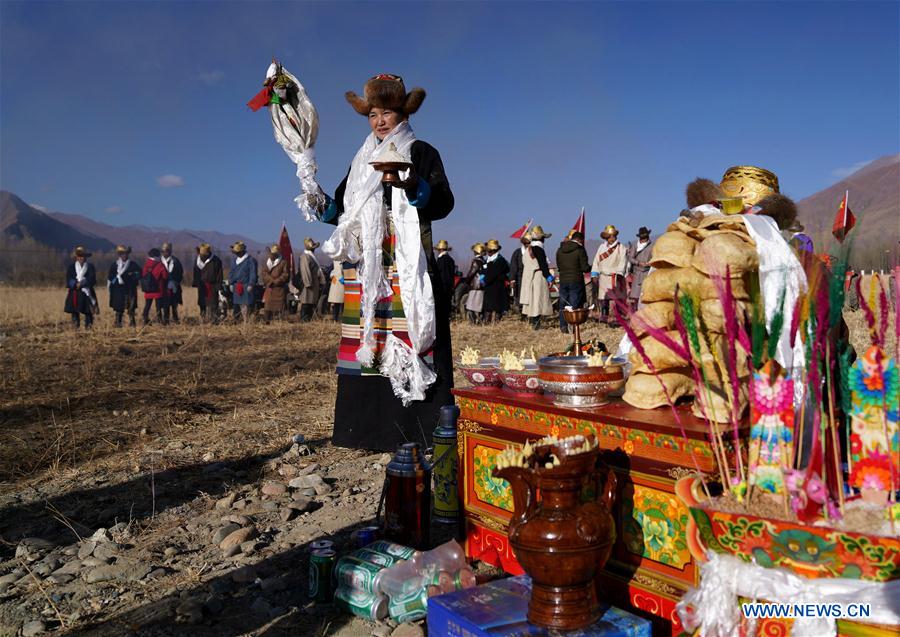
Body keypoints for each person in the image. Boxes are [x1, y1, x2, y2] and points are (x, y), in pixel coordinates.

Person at [312, 73, 455, 451]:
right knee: (368, 337)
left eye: (387, 112)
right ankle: (366, 429)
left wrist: (411, 185)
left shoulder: (421, 152)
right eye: (373, 113)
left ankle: (417, 427)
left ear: (403, 113)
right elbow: (341, 210)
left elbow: (442, 202)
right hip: (370, 264)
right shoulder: (362, 161)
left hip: (409, 261)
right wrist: (319, 202)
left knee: (413, 336)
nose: (379, 121)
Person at [555, 230, 590, 332]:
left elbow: (559, 265)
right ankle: (573, 325)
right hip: (576, 279)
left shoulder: (560, 250)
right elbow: (584, 267)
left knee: (563, 303)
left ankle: (563, 325)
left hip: (563, 279)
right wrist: (591, 268)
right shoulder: (580, 250)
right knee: (574, 303)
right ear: (579, 239)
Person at [520, 226, 554, 330]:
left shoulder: (527, 250)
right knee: (538, 300)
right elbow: (543, 265)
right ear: (541, 239)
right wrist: (549, 276)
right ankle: (536, 324)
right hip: (538, 277)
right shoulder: (538, 249)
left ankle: (534, 322)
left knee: (533, 300)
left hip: (529, 277)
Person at [592, 225, 627, 323]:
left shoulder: (621, 248)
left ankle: (620, 317)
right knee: (604, 298)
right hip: (603, 276)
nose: (611, 238)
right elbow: (596, 261)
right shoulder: (601, 247)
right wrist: (594, 274)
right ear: (606, 237)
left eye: (613, 236)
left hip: (615, 276)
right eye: (609, 236)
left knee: (618, 298)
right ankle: (604, 316)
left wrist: (620, 273)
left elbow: (623, 261)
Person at [107, 245, 141, 327]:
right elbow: (110, 276)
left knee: (131, 307)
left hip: (130, 289)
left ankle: (132, 323)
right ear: (119, 255)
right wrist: (117, 280)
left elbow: (139, 273)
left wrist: (132, 276)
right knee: (118, 307)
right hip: (118, 289)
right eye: (122, 254)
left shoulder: (133, 264)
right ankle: (118, 323)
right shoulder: (114, 265)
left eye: (126, 254)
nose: (124, 255)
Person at [65, 246, 97, 329]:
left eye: (83, 256)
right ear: (76, 257)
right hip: (75, 292)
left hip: (87, 292)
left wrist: (82, 283)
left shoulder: (90, 267)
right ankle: (75, 327)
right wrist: (75, 284)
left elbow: (92, 279)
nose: (81, 258)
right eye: (79, 256)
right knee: (75, 312)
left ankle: (89, 327)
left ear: (86, 257)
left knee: (88, 312)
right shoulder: (71, 268)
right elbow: (69, 279)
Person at [481, 239, 509, 323]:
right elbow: (483, 271)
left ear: (493, 250)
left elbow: (492, 274)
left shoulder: (500, 260)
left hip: (497, 287)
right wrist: (481, 278)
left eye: (488, 250)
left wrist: (485, 280)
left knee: (497, 307)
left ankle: (496, 323)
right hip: (488, 287)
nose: (487, 252)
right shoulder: (487, 259)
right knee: (487, 307)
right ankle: (486, 322)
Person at [626, 227, 654, 312]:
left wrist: (650, 263)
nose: (644, 239)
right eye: (643, 238)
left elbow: (654, 257)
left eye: (645, 237)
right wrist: (638, 263)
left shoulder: (652, 246)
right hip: (637, 273)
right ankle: (635, 315)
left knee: (645, 295)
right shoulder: (635, 246)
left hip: (648, 273)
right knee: (635, 297)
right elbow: (630, 258)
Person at [193, 243, 223, 322]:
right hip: (202, 285)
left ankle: (214, 320)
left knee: (213, 303)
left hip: (212, 285)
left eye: (204, 255)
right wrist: (196, 282)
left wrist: (218, 286)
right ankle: (203, 318)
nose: (202, 256)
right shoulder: (197, 260)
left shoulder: (216, 261)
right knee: (202, 303)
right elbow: (195, 272)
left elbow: (219, 275)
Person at [228, 241, 257, 322]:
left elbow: (252, 273)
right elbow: (231, 272)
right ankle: (237, 320)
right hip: (236, 286)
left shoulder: (250, 260)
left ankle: (246, 320)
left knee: (246, 304)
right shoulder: (235, 261)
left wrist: (251, 284)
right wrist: (230, 282)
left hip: (246, 285)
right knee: (237, 304)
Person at [261, 244, 291, 323]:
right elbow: (264, 273)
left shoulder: (283, 262)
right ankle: (267, 321)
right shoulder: (267, 262)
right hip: (270, 288)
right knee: (268, 306)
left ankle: (278, 321)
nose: (272, 256)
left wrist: (276, 281)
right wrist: (271, 280)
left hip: (279, 289)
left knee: (279, 307)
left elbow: (285, 275)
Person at [298, 237, 325, 321]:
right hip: (308, 284)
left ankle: (308, 319)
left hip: (313, 283)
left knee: (310, 303)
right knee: (306, 303)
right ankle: (304, 319)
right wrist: (308, 283)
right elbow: (305, 270)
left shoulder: (310, 256)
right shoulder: (305, 257)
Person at [141, 248, 168, 325]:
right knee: (158, 306)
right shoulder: (160, 265)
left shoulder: (146, 264)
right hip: (158, 289)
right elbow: (165, 276)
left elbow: (143, 275)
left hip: (148, 289)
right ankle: (159, 320)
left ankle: (145, 319)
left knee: (147, 305)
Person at [160, 242, 183, 324]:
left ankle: (175, 319)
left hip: (174, 287)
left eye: (166, 251)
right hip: (163, 286)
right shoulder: (160, 261)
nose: (164, 253)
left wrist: (175, 282)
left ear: (170, 252)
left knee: (174, 304)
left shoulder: (175, 261)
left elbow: (180, 273)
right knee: (165, 304)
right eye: (163, 251)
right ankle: (165, 320)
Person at [464, 243, 486, 324]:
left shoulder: (476, 261)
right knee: (479, 305)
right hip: (481, 285)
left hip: (475, 286)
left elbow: (472, 273)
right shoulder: (484, 261)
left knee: (470, 305)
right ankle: (481, 321)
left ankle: (472, 322)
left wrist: (466, 281)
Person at [508, 234, 529, 318]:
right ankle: (522, 315)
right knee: (520, 298)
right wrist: (512, 279)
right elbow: (513, 267)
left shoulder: (533, 251)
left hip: (531, 278)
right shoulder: (517, 253)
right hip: (520, 279)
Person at [435, 239, 456, 310]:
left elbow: (438, 273)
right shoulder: (451, 260)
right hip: (449, 286)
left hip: (441, 286)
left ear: (440, 250)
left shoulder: (440, 260)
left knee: (441, 306)